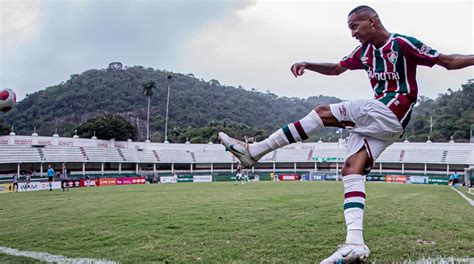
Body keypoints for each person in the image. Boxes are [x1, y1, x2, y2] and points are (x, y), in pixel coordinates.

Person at [218, 5, 474, 263]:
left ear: (372, 21)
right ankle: (355, 243)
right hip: (379, 123)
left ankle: (255, 151)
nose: (352, 33)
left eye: (354, 26)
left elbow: (448, 62)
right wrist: (308, 64)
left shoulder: (402, 43)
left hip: (392, 110)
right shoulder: (364, 53)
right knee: (352, 169)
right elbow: (337, 68)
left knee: (321, 112)